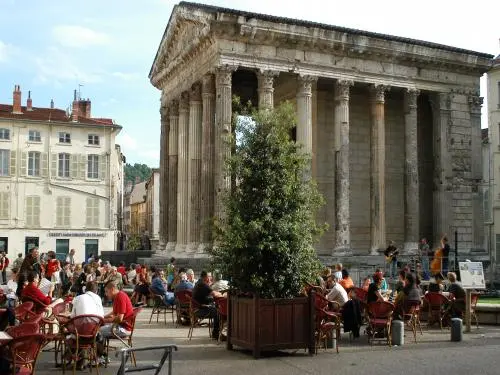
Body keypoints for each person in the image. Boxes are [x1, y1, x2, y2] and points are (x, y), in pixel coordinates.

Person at [192, 270, 222, 339]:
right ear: (205, 277)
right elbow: (214, 293)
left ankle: (217, 332)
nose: (210, 278)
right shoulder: (203, 284)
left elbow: (208, 295)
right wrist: (221, 294)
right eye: (209, 276)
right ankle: (215, 333)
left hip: (197, 308)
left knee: (215, 307)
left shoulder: (198, 283)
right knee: (217, 311)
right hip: (200, 310)